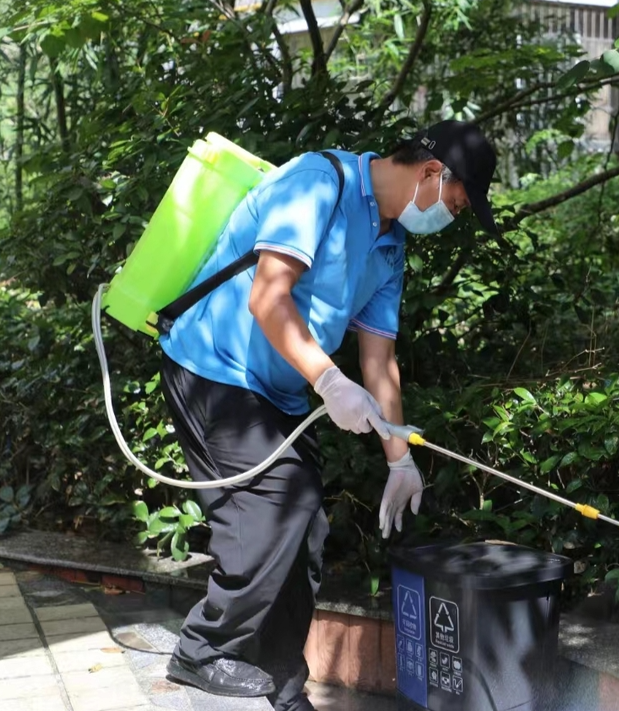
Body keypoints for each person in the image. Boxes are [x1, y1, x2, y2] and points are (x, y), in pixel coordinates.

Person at [157, 120, 498, 710]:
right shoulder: (320, 182)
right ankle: (201, 649)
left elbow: (380, 360)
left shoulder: (391, 245)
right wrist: (328, 379)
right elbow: (268, 295)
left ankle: (287, 690)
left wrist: (399, 458)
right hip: (213, 367)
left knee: (306, 532)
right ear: (430, 173)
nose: (454, 215)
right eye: (459, 202)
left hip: (281, 395)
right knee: (275, 508)